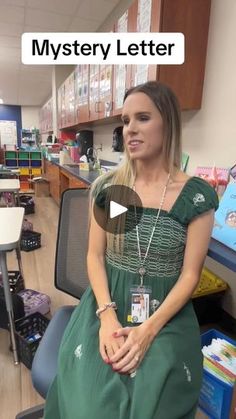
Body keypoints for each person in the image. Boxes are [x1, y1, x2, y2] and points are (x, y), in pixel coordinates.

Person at [44, 81, 218, 419]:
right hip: (107, 304)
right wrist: (108, 319)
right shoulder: (117, 190)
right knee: (90, 405)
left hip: (165, 314)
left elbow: (190, 275)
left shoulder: (194, 196)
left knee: (154, 405)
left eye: (142, 118)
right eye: (125, 121)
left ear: (168, 122)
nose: (130, 129)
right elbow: (95, 256)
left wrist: (147, 331)